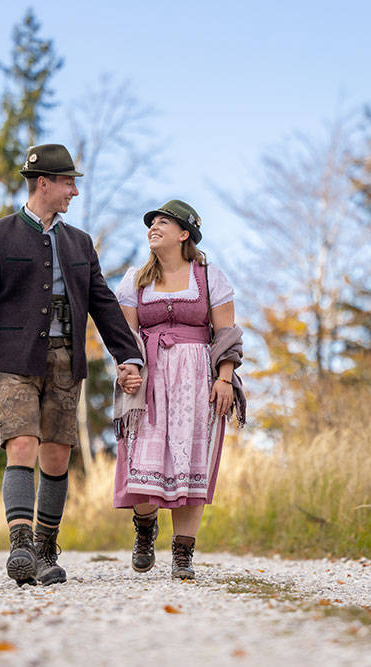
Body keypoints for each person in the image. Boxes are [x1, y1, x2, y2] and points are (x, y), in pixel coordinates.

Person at [0, 143, 143, 586]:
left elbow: (102, 301)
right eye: (68, 182)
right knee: (21, 445)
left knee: (57, 457)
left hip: (66, 361)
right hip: (12, 360)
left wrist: (128, 356)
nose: (74, 192)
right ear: (44, 183)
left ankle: (43, 549)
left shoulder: (79, 242)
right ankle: (19, 544)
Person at [113, 199, 245, 580]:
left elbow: (226, 333)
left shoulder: (209, 276)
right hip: (150, 379)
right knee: (142, 459)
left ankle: (183, 552)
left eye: (163, 222)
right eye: (151, 222)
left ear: (184, 233)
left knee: (191, 464)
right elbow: (125, 337)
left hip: (197, 380)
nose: (153, 226)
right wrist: (127, 369)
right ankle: (145, 528)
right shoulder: (135, 279)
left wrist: (224, 378)